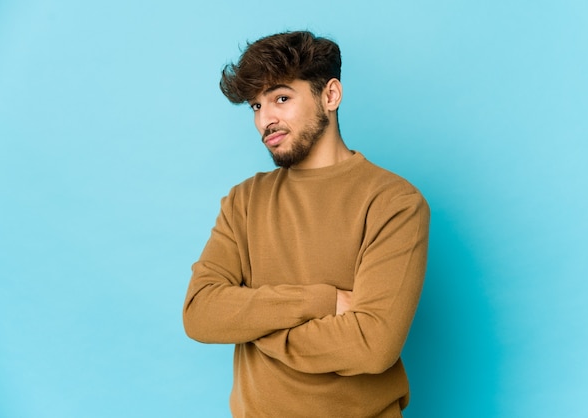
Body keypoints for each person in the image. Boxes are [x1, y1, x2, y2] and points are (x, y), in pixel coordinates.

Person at [183, 30, 430, 418]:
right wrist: (322, 300)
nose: (266, 119)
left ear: (330, 96)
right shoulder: (244, 201)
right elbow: (200, 313)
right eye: (255, 106)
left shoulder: (393, 202)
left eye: (281, 98)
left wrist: (252, 325)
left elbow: (372, 345)